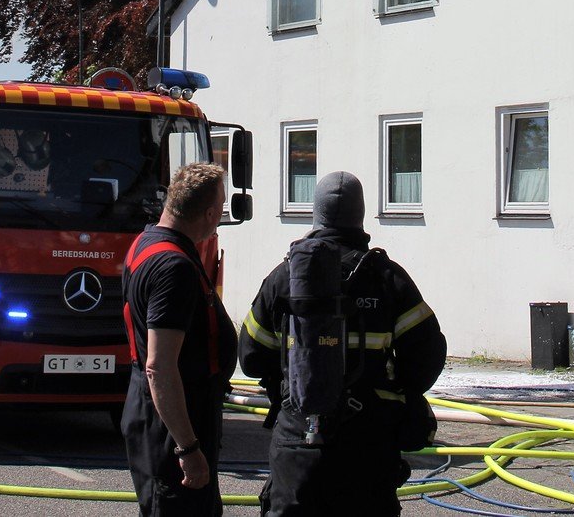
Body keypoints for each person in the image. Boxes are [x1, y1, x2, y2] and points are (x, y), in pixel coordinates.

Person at [239, 171, 447, 516]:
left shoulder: (284, 276)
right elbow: (427, 355)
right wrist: (397, 393)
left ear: (315, 214)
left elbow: (251, 354)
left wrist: (291, 387)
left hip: (298, 437)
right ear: (360, 215)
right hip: (369, 440)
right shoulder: (387, 278)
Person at [121, 162, 236, 517]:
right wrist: (188, 448)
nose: (220, 217)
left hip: (155, 413)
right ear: (207, 213)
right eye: (220, 208)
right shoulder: (174, 268)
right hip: (172, 425)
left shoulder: (146, 242)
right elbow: (159, 365)